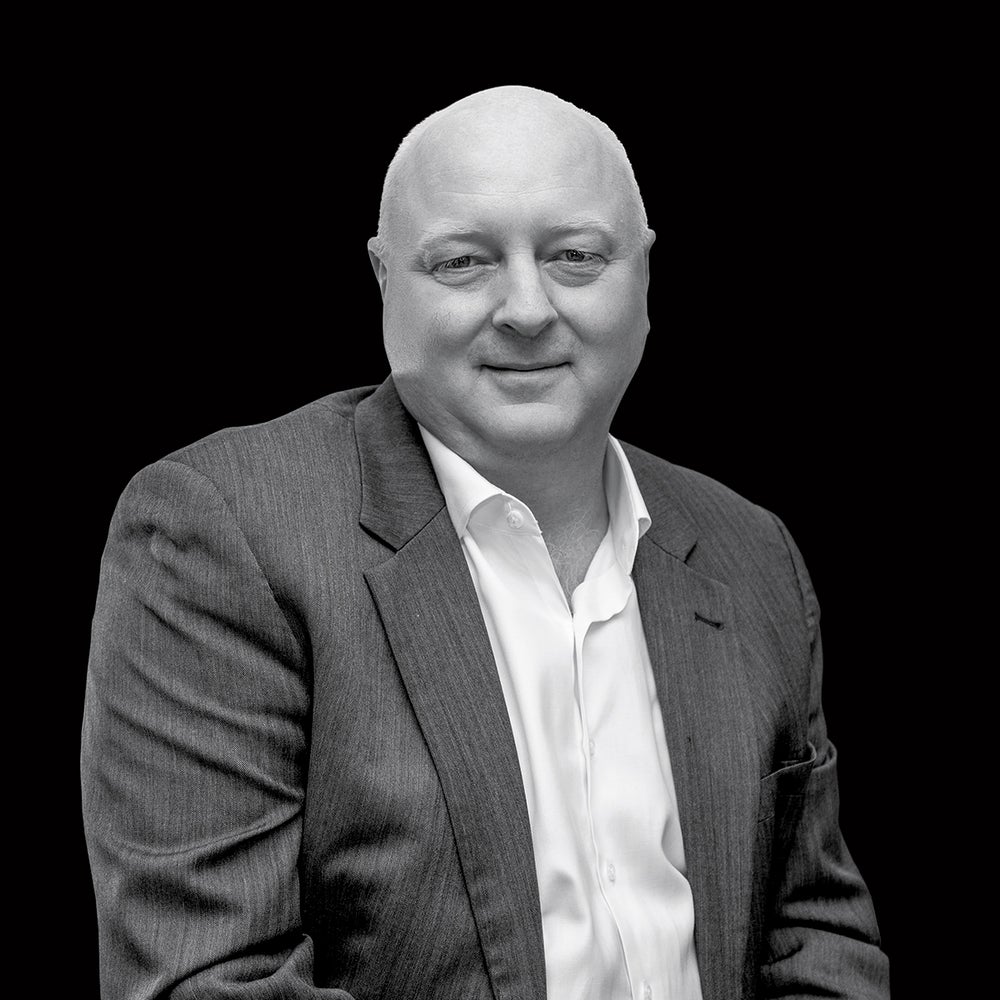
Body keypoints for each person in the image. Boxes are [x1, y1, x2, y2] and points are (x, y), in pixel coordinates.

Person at [82, 85, 889, 999]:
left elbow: (816, 937)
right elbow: (211, 978)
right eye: (464, 262)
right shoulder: (225, 534)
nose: (527, 308)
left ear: (644, 274)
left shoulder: (751, 553)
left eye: (576, 256)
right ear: (384, 279)